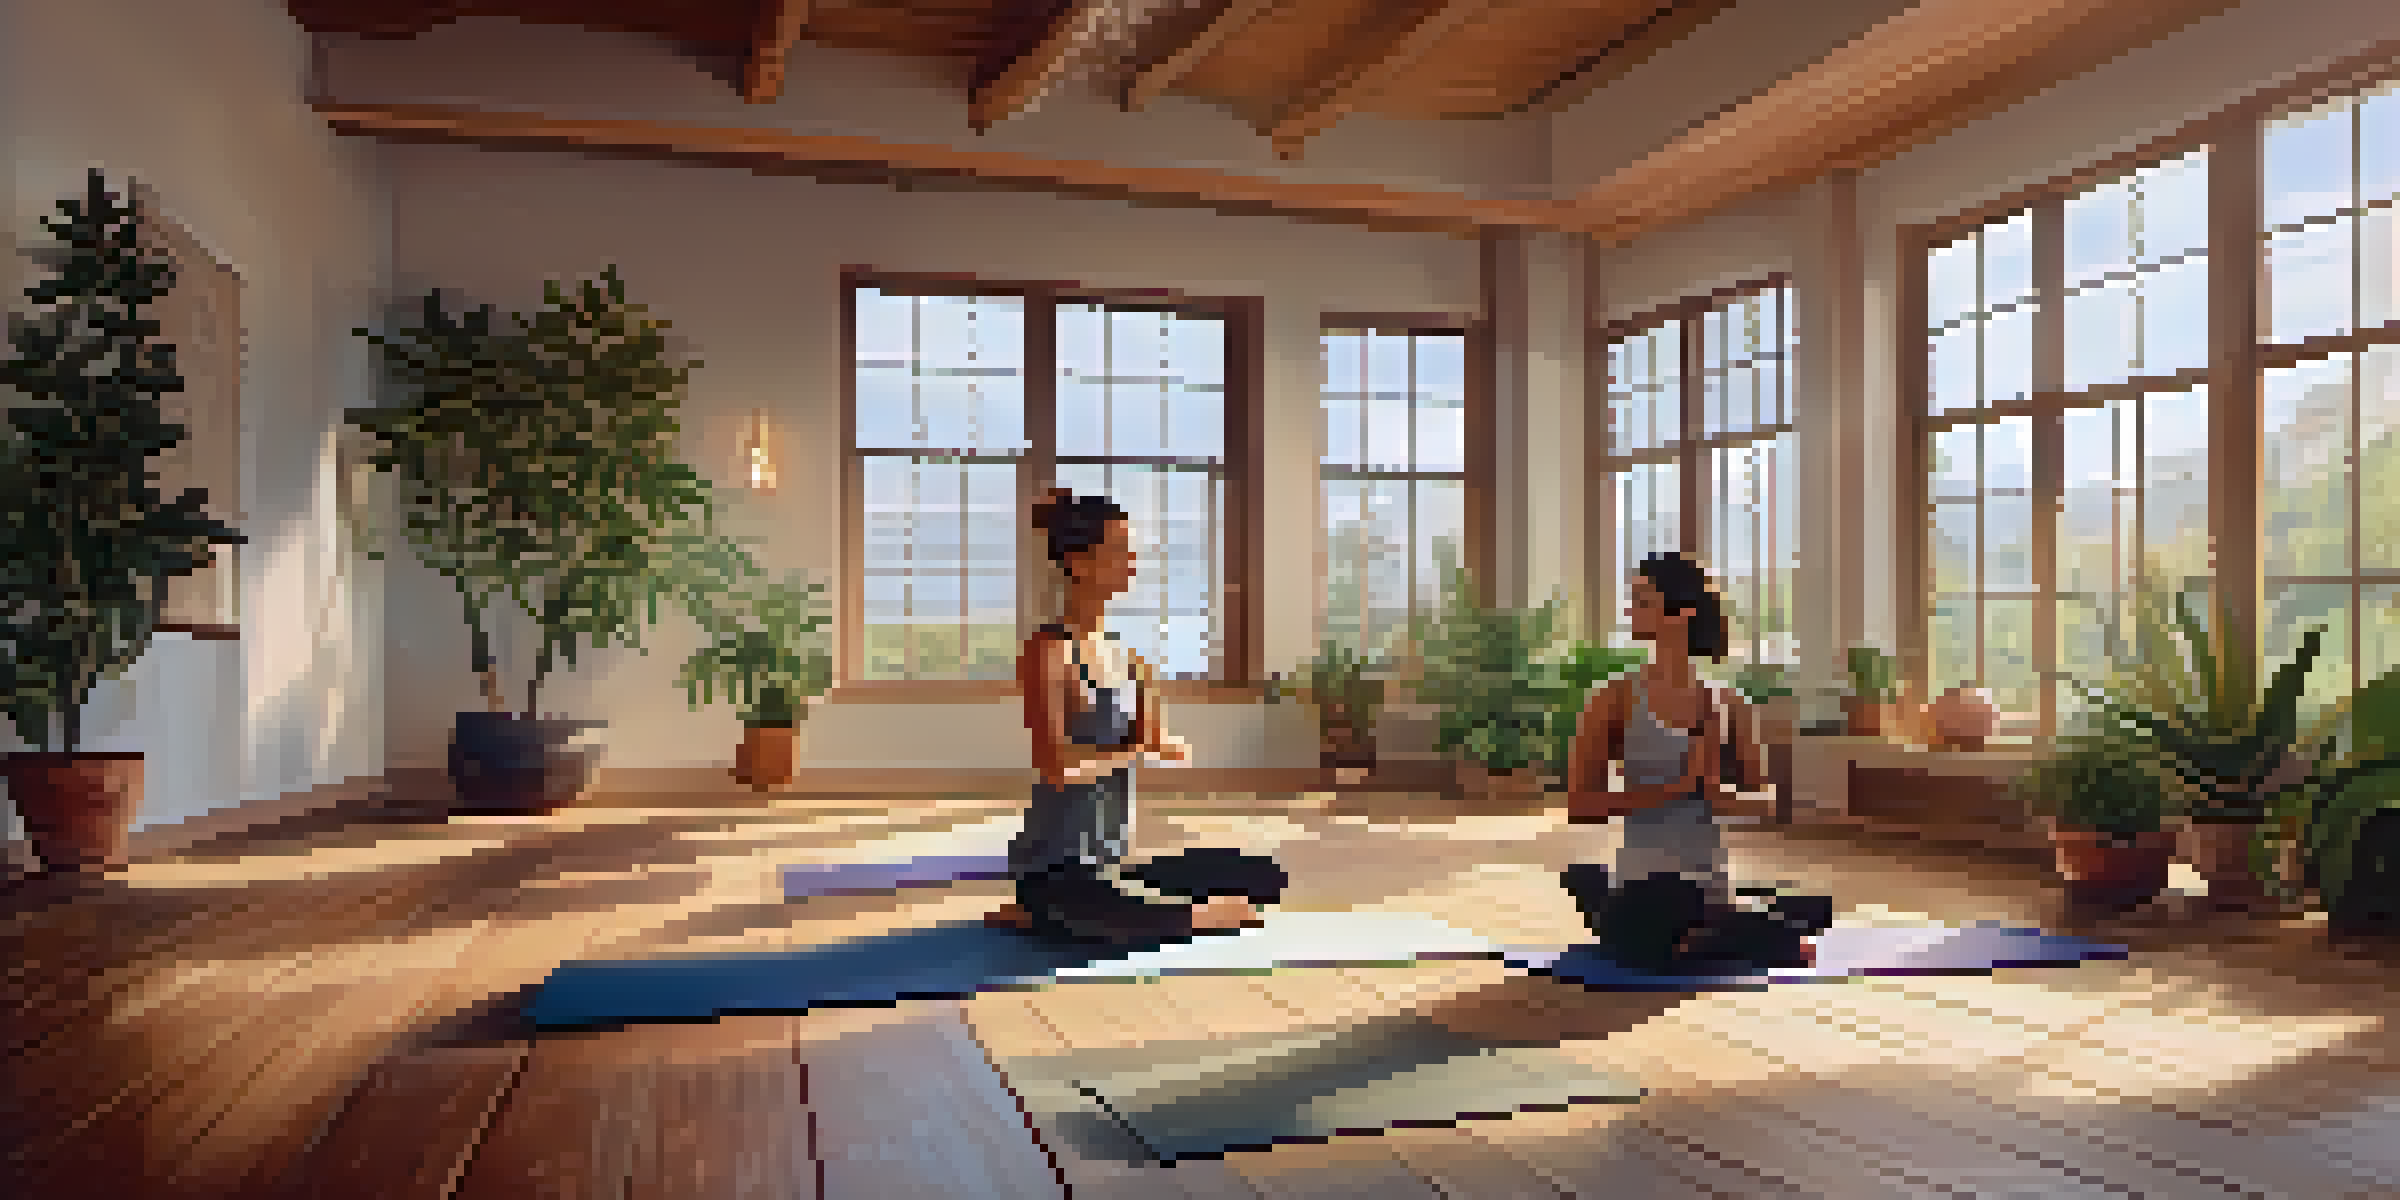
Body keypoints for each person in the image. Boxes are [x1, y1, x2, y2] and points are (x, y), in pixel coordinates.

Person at [985, 487, 1288, 945]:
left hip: (1109, 863)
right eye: (1117, 551)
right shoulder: (1048, 652)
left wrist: (1160, 743)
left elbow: (1157, 741)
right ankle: (1050, 909)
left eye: (1130, 551)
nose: (1130, 563)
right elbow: (1058, 769)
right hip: (1056, 868)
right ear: (1078, 562)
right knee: (1152, 912)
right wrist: (1133, 750)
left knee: (1264, 875)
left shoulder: (1129, 658)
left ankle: (1083, 912)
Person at [1557, 551, 1829, 971]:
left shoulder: (1730, 702)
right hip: (1646, 889)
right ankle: (1716, 930)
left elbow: (1768, 801)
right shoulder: (1614, 697)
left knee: (1817, 907)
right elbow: (1580, 806)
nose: (1630, 610)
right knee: (1657, 903)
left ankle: (1700, 924)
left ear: (1680, 613)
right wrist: (1676, 788)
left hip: (1708, 885)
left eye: (1643, 600)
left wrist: (1719, 794)